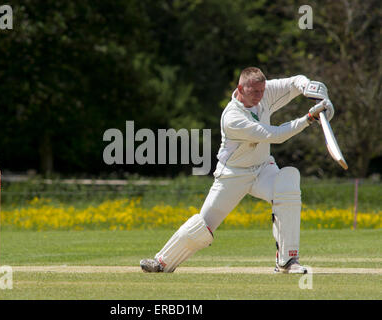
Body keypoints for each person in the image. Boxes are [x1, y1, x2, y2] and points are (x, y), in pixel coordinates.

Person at [140, 67, 334, 274]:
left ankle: (287, 261)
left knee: (288, 185)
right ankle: (161, 262)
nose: (260, 96)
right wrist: (309, 119)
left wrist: (309, 88)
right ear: (240, 88)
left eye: (262, 91)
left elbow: (295, 81)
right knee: (202, 226)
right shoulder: (233, 118)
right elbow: (275, 135)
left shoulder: (264, 92)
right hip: (233, 174)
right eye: (255, 92)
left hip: (262, 168)